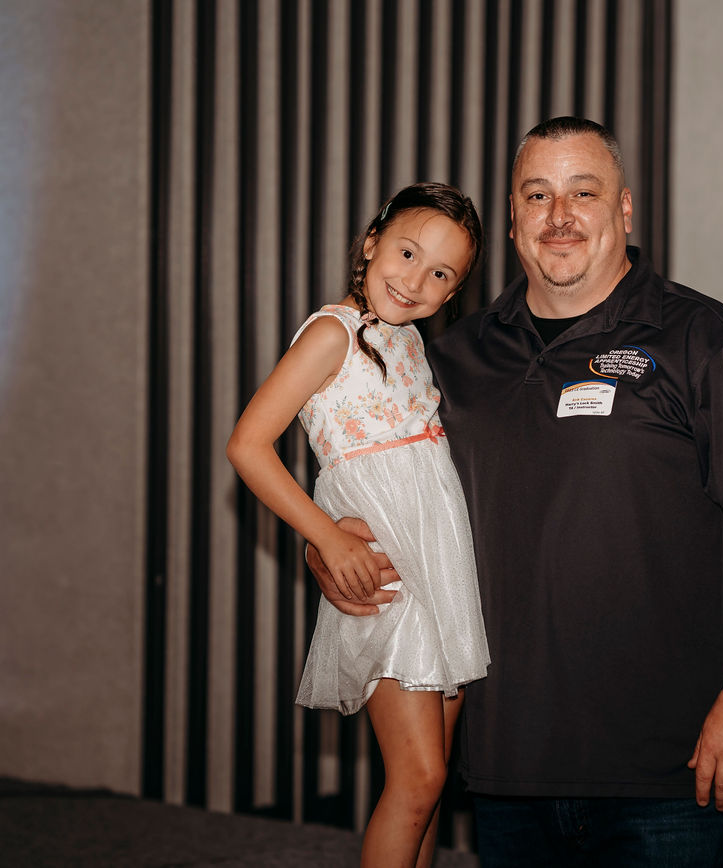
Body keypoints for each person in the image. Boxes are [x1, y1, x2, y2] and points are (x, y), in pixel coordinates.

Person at [310, 118, 723, 866]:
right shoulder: (449, 358)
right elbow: (380, 484)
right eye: (537, 194)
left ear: (624, 209)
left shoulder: (705, 341)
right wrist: (329, 548)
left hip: (668, 774)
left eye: (583, 192)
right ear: (513, 219)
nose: (559, 216)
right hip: (507, 769)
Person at [227, 183, 490, 868]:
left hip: (440, 570)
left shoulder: (409, 342)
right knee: (419, 777)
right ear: (371, 242)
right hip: (386, 572)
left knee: (430, 786)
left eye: (442, 274)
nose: (416, 281)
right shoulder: (331, 334)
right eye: (407, 253)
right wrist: (327, 535)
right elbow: (248, 445)